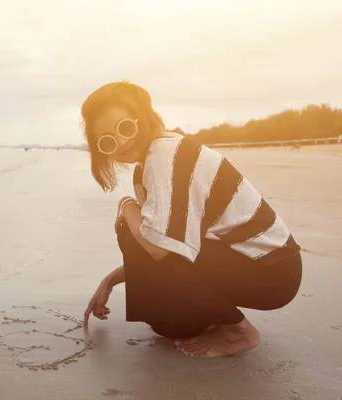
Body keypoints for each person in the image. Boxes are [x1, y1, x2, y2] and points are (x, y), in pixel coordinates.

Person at [81, 81, 302, 358]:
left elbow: (158, 248)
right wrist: (111, 280)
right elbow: (168, 244)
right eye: (107, 141)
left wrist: (125, 205)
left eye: (125, 127)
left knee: (132, 227)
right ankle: (215, 318)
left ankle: (239, 331)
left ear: (144, 117)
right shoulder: (151, 164)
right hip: (262, 266)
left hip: (272, 269)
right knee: (167, 325)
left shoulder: (166, 154)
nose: (122, 142)